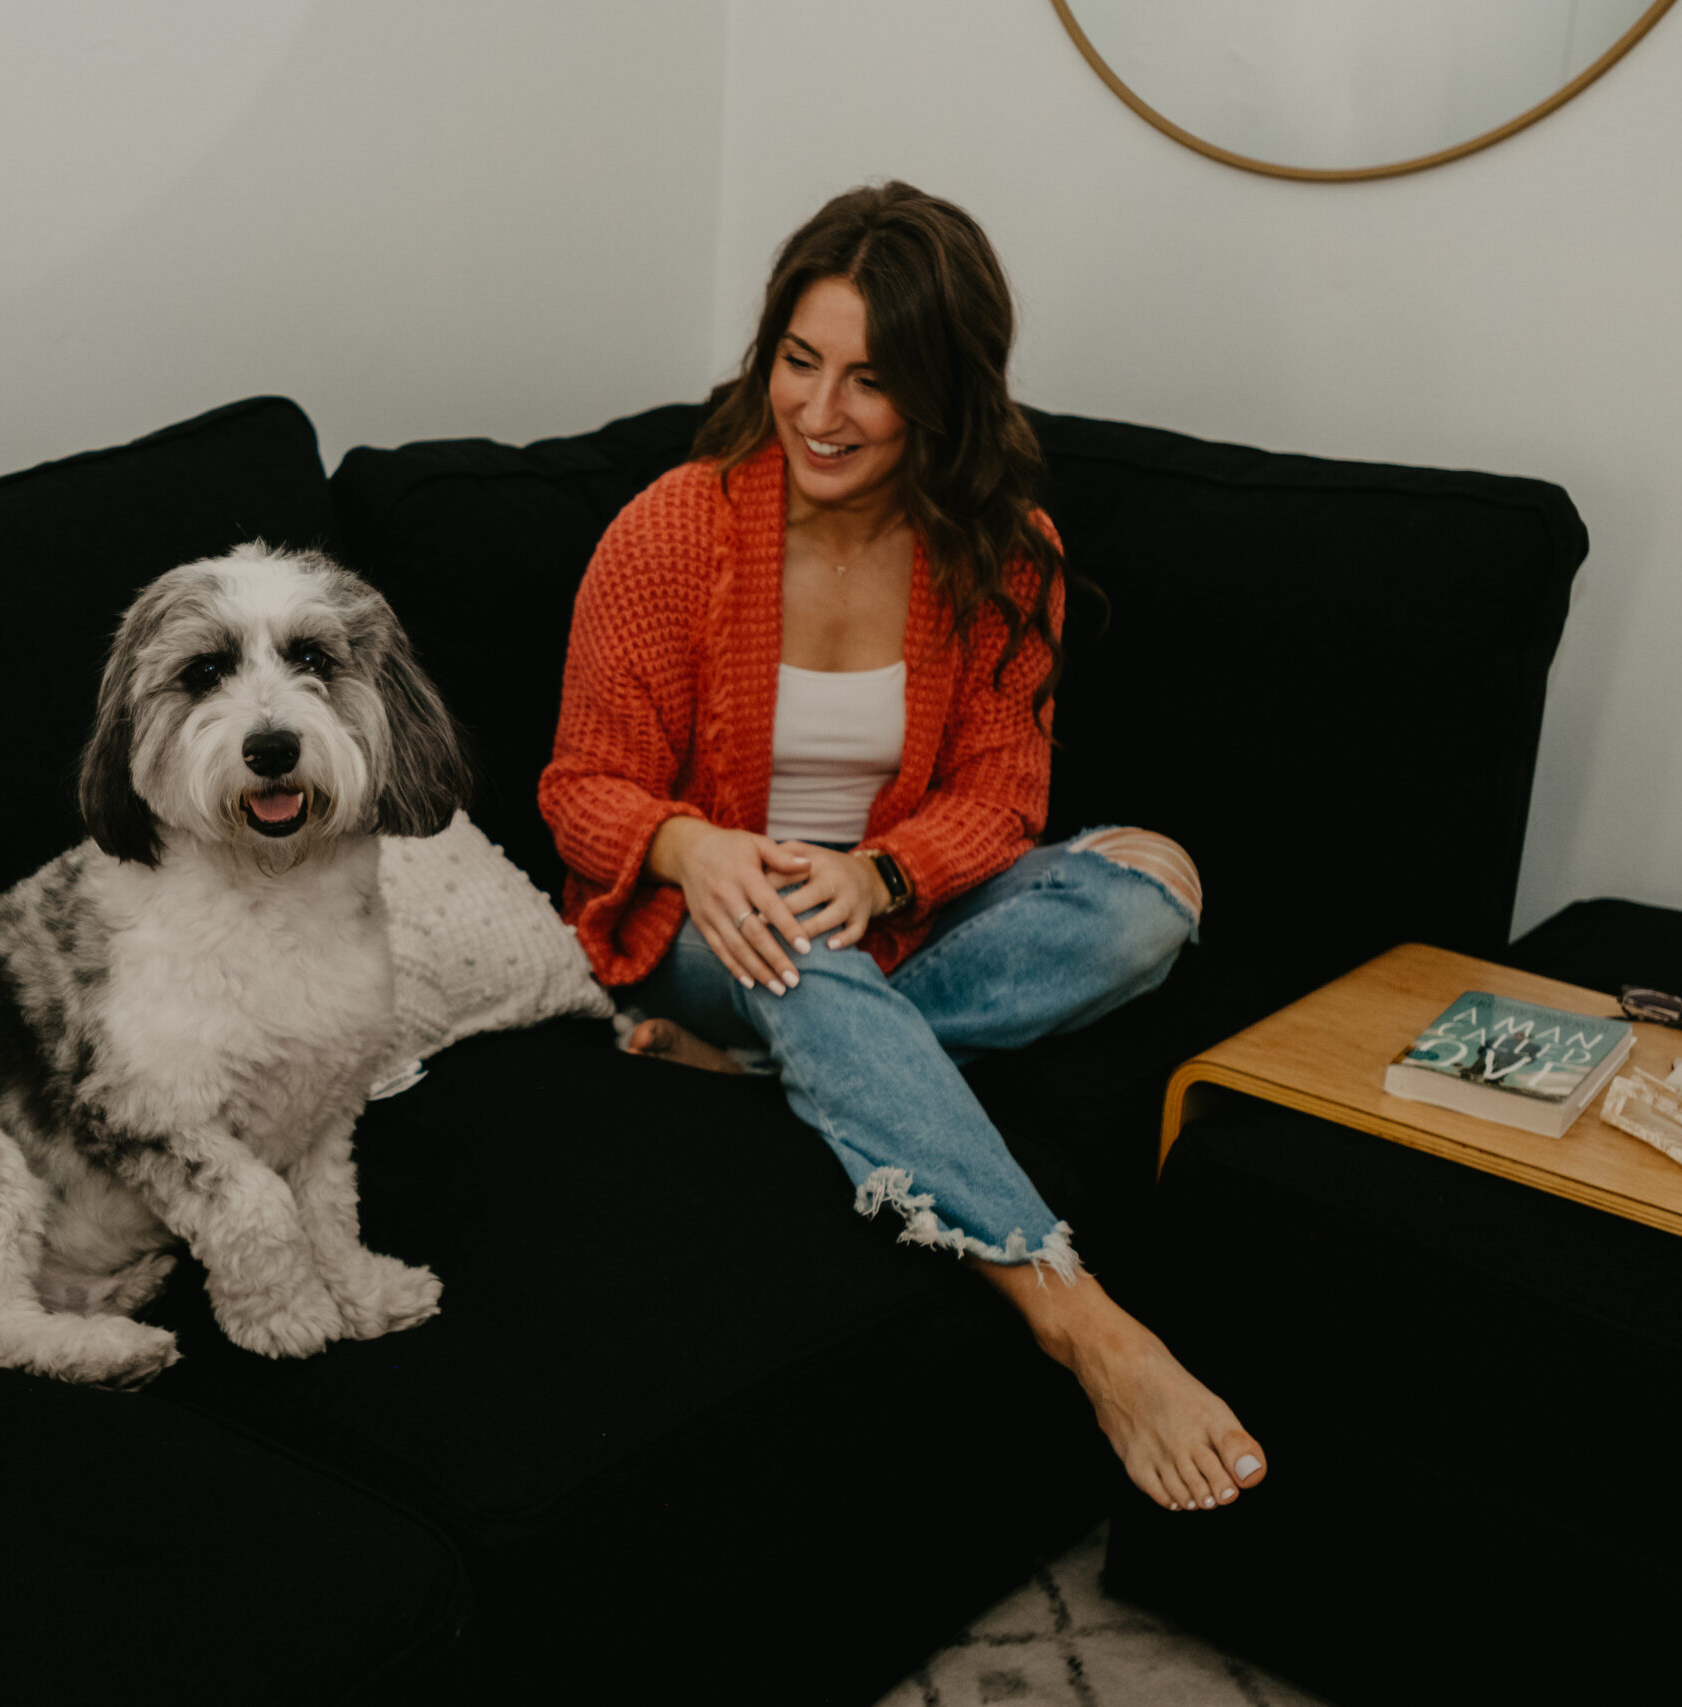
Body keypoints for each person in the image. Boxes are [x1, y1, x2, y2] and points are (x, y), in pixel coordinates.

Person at [538, 181, 1265, 1514]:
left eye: (869, 381)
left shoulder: (1003, 549)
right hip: (707, 930)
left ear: (944, 389)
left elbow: (1004, 795)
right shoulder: (674, 528)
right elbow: (577, 785)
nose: (819, 414)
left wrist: (878, 876)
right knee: (785, 950)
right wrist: (692, 846)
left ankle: (780, 1071)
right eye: (798, 364)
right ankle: (1084, 1323)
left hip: (889, 919)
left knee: (1153, 895)